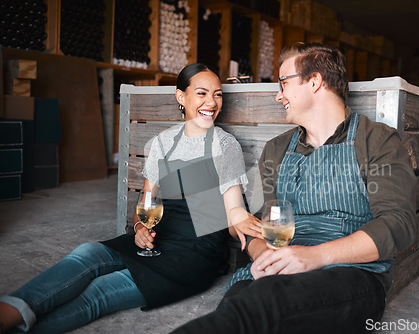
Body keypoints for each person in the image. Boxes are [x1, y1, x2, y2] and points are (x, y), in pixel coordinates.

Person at [170, 43, 417, 333]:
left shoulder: (375, 141)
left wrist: (316, 256)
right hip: (278, 269)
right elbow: (259, 226)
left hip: (350, 275)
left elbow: (399, 224)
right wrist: (263, 254)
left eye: (283, 83)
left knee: (259, 307)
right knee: (239, 304)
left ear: (314, 81)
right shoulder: (277, 150)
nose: (278, 95)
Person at [0, 63, 261, 334]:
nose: (211, 102)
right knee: (86, 253)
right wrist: (138, 227)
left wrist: (253, 233)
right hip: (157, 239)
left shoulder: (225, 145)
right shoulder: (163, 143)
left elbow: (234, 212)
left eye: (218, 94)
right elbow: (144, 206)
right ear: (181, 97)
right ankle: (8, 310)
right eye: (202, 93)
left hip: (192, 255)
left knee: (99, 293)